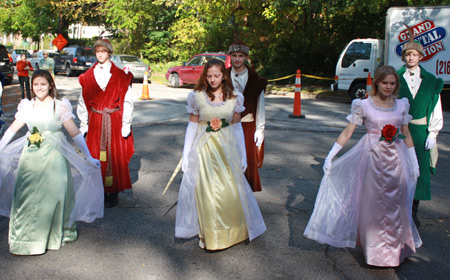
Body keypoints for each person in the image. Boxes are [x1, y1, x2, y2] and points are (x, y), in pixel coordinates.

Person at [304, 66, 422, 267]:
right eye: (385, 83)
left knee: (396, 204)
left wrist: (414, 162)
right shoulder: (363, 105)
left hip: (396, 160)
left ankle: (395, 250)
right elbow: (347, 132)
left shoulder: (401, 104)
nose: (389, 87)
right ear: (376, 82)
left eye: (392, 83)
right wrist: (330, 156)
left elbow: (407, 133)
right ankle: (375, 251)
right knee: (373, 206)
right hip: (372, 161)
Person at [0, 70, 104, 255]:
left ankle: (53, 235)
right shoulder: (27, 106)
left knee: (53, 196)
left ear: (50, 86)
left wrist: (88, 157)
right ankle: (27, 239)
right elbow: (11, 130)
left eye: (43, 84)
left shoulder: (59, 107)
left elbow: (75, 133)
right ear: (31, 87)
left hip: (54, 159)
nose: (39, 88)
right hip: (30, 158)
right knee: (27, 197)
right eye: (36, 84)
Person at [175, 58, 266, 250]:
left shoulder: (234, 98)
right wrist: (186, 154)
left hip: (226, 148)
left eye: (216, 76)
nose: (212, 80)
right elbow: (192, 127)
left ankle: (232, 232)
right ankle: (208, 234)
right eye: (209, 76)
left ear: (224, 76)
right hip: (204, 149)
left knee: (228, 191)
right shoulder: (197, 96)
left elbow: (238, 128)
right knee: (206, 192)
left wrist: (242, 155)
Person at [77, 39, 134, 208]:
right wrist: (83, 122)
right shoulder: (88, 76)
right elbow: (83, 101)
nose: (100, 54)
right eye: (97, 51)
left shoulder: (120, 76)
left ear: (109, 52)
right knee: (96, 156)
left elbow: (127, 101)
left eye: (103, 51)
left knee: (113, 156)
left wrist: (126, 124)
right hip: (95, 121)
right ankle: (99, 190)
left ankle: (113, 191)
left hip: (113, 121)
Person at [397, 31, 444, 228]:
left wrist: (432, 133)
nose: (410, 57)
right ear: (404, 57)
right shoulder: (396, 78)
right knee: (399, 171)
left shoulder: (431, 81)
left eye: (414, 54)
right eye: (407, 54)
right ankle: (398, 210)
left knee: (418, 171)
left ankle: (413, 211)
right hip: (400, 132)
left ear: (420, 57)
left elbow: (435, 107)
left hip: (421, 130)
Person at [227, 41, 268, 192]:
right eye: (234, 56)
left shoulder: (256, 81)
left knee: (247, 165)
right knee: (226, 164)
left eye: (241, 56)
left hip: (247, 127)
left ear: (246, 58)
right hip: (226, 127)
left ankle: (246, 202)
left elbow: (260, 106)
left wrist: (260, 129)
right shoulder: (222, 77)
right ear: (230, 57)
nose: (237, 59)